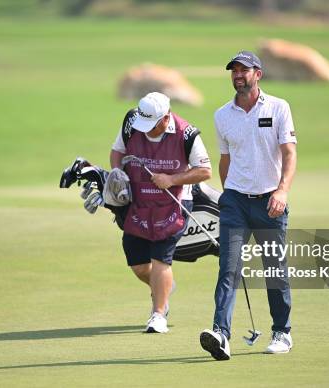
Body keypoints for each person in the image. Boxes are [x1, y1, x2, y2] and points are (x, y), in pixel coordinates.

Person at [199, 51, 298, 360]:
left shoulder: (279, 108)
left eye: (244, 69)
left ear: (259, 74)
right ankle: (221, 334)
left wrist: (282, 191)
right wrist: (228, 194)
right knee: (228, 268)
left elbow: (289, 154)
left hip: (271, 201)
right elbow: (225, 160)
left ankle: (282, 331)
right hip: (236, 204)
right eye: (234, 70)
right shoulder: (222, 115)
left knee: (274, 270)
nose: (238, 74)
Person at [110, 92, 212, 333]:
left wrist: (172, 179)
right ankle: (163, 288)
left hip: (173, 204)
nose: (145, 131)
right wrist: (117, 172)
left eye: (151, 126)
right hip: (138, 202)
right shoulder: (132, 122)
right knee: (137, 264)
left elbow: (204, 171)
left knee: (160, 259)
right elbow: (117, 151)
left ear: (166, 118)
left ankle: (158, 315)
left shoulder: (187, 134)